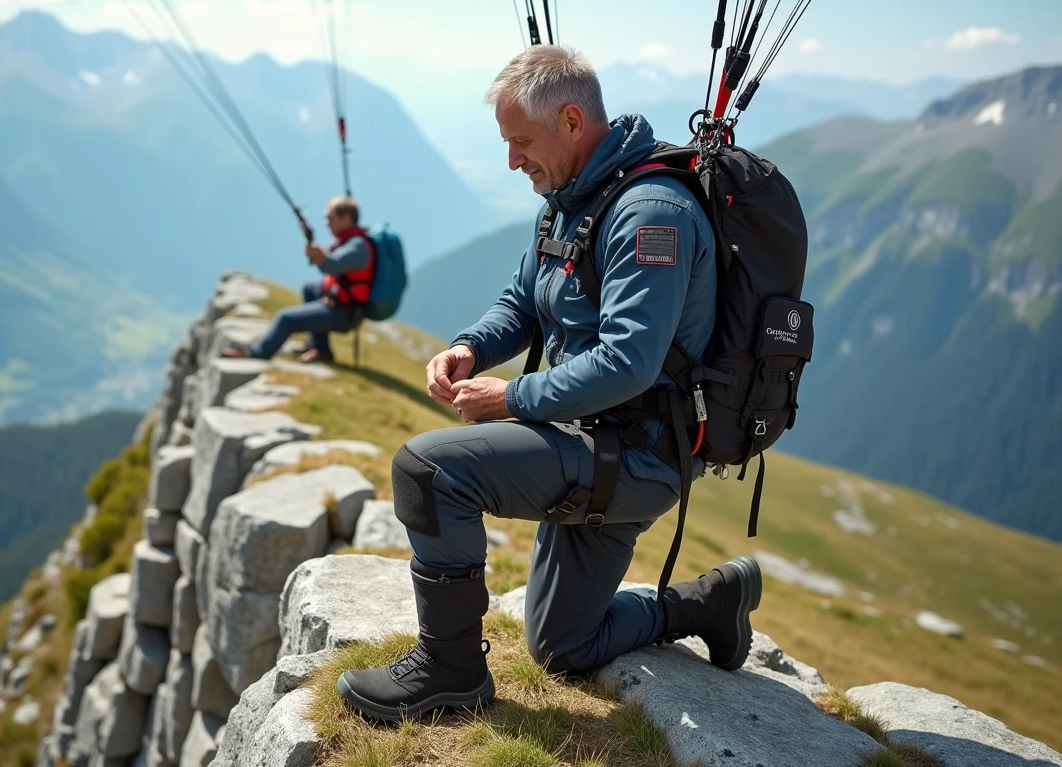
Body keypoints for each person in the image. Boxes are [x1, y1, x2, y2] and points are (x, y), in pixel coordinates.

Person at [335, 45, 763, 722]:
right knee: (563, 645)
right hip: (588, 440)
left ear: (570, 121)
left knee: (429, 471)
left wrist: (510, 398)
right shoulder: (567, 200)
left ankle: (449, 673)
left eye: (520, 142)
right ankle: (708, 602)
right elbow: (523, 301)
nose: (512, 161)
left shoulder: (651, 214)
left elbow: (630, 362)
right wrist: (471, 348)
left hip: (638, 455)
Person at [223, 195, 372, 363]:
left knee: (286, 319)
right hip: (342, 304)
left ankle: (257, 354)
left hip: (345, 313)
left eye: (330, 218)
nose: (326, 223)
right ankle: (320, 348)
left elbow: (332, 266)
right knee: (310, 289)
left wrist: (318, 257)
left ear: (346, 219)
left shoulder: (357, 247)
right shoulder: (351, 242)